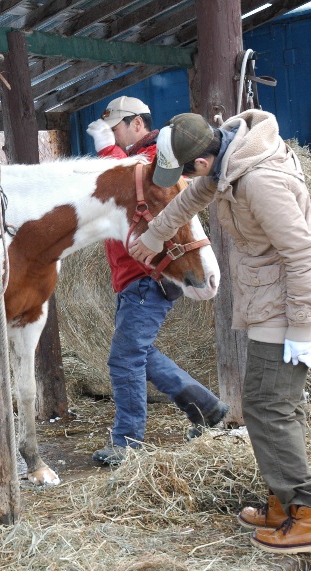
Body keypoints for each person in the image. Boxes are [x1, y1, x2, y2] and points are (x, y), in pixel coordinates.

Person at [129, 109, 311, 554]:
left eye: (187, 172)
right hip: (270, 297)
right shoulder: (231, 158)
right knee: (276, 404)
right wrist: (153, 237)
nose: (189, 180)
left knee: (269, 406)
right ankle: (285, 500)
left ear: (203, 162)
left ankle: (305, 512)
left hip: (287, 306)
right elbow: (190, 200)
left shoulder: (258, 181)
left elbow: (303, 253)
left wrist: (303, 330)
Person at [85, 96, 229, 465]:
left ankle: (128, 443)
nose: (114, 136)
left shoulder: (157, 157)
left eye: (116, 128)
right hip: (132, 276)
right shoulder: (136, 155)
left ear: (137, 123)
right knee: (140, 354)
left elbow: (139, 183)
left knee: (124, 358)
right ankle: (208, 409)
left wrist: (106, 151)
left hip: (149, 275)